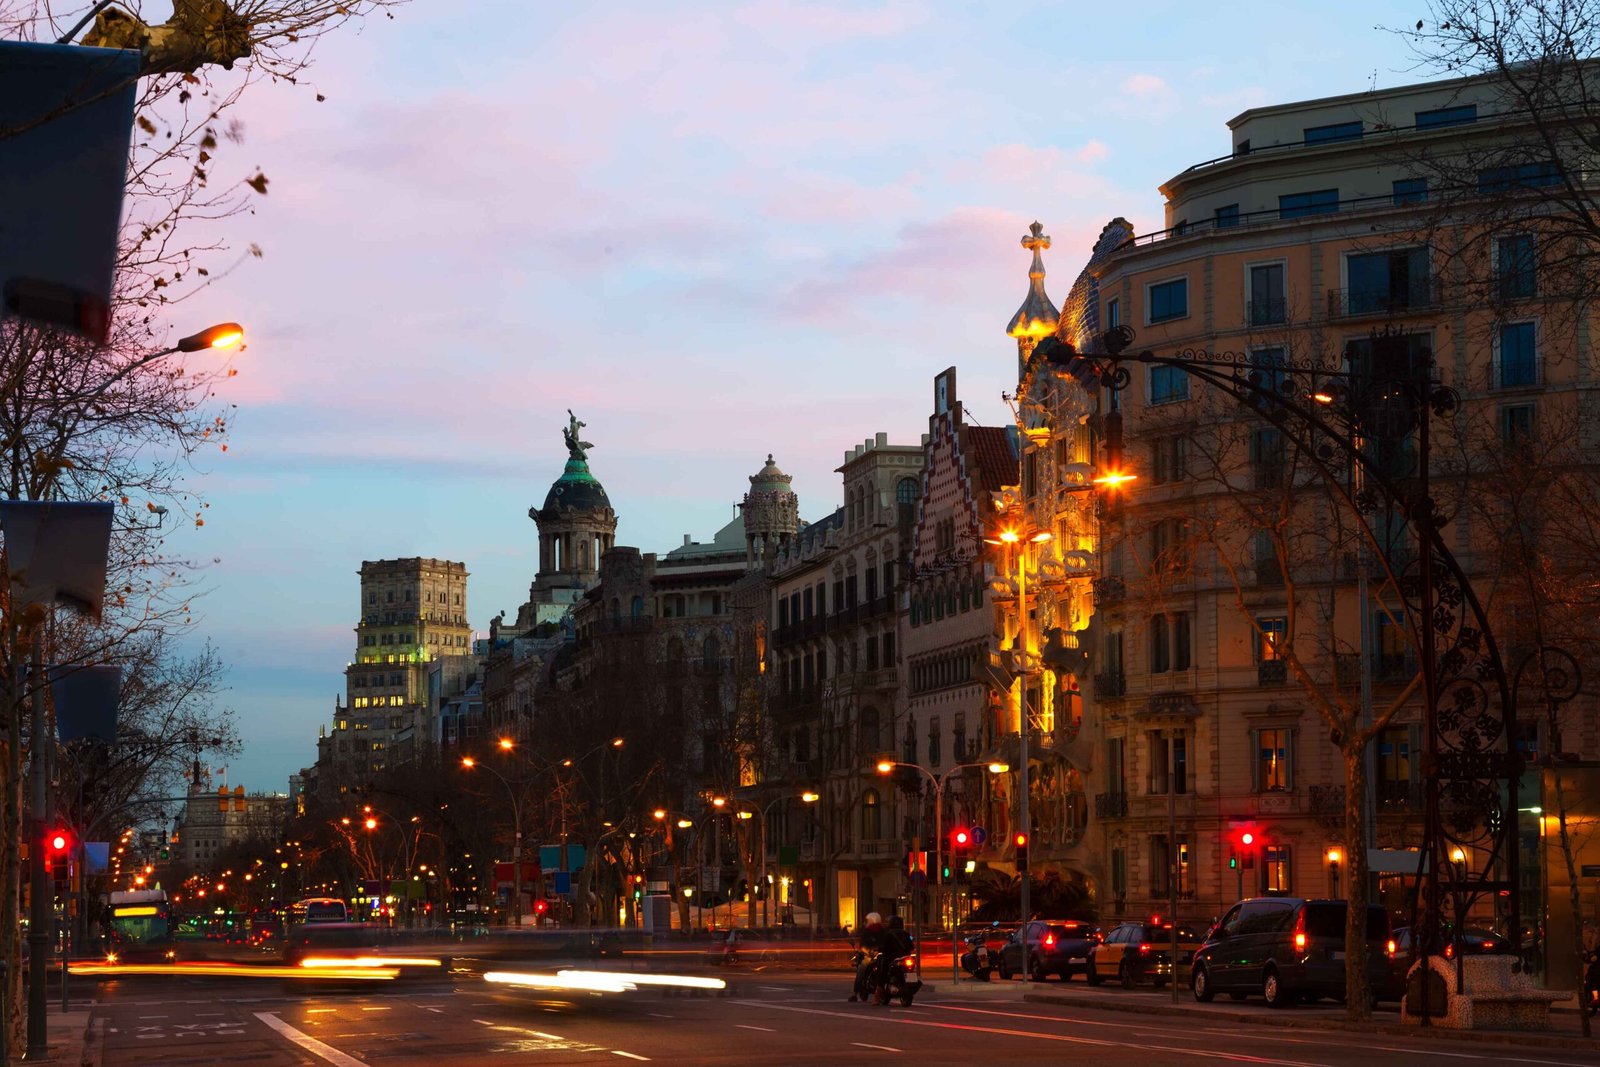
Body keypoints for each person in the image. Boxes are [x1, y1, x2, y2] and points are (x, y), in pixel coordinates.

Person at [871, 914, 915, 1000]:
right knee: (911, 972)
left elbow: (884, 947)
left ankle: (877, 996)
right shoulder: (906, 934)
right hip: (905, 958)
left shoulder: (889, 934)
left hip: (891, 958)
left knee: (882, 974)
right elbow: (912, 946)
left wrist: (879, 949)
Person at [849, 912, 885, 1002]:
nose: (867, 922)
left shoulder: (870, 932)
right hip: (874, 955)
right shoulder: (882, 931)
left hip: (875, 955)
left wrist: (870, 951)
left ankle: (855, 994)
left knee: (862, 969)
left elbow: (863, 945)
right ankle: (856, 992)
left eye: (868, 920)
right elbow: (863, 946)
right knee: (862, 968)